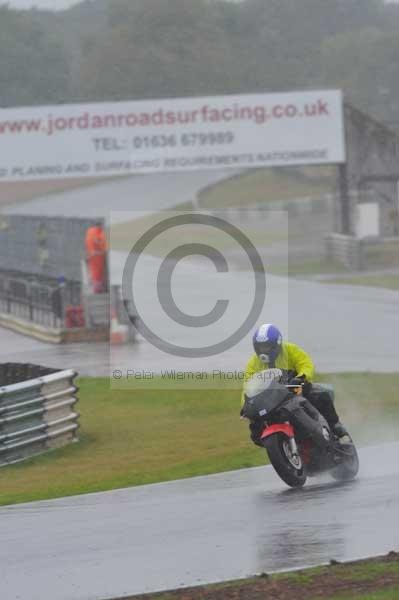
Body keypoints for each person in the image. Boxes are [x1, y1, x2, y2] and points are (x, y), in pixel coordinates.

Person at [242, 323, 348, 446]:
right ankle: (282, 446)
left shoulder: (290, 349)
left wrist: (301, 377)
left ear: (277, 344)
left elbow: (306, 364)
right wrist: (246, 405)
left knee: (320, 396)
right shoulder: (253, 363)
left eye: (266, 347)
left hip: (295, 387)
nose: (263, 352)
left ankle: (337, 428)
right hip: (272, 397)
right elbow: (248, 385)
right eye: (260, 348)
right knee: (256, 428)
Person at [85, 220, 108, 293]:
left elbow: (88, 243)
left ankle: (96, 288)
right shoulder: (99, 232)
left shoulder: (89, 232)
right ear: (100, 225)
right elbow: (102, 242)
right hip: (99, 255)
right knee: (99, 273)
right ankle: (98, 289)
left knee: (94, 272)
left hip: (91, 255)